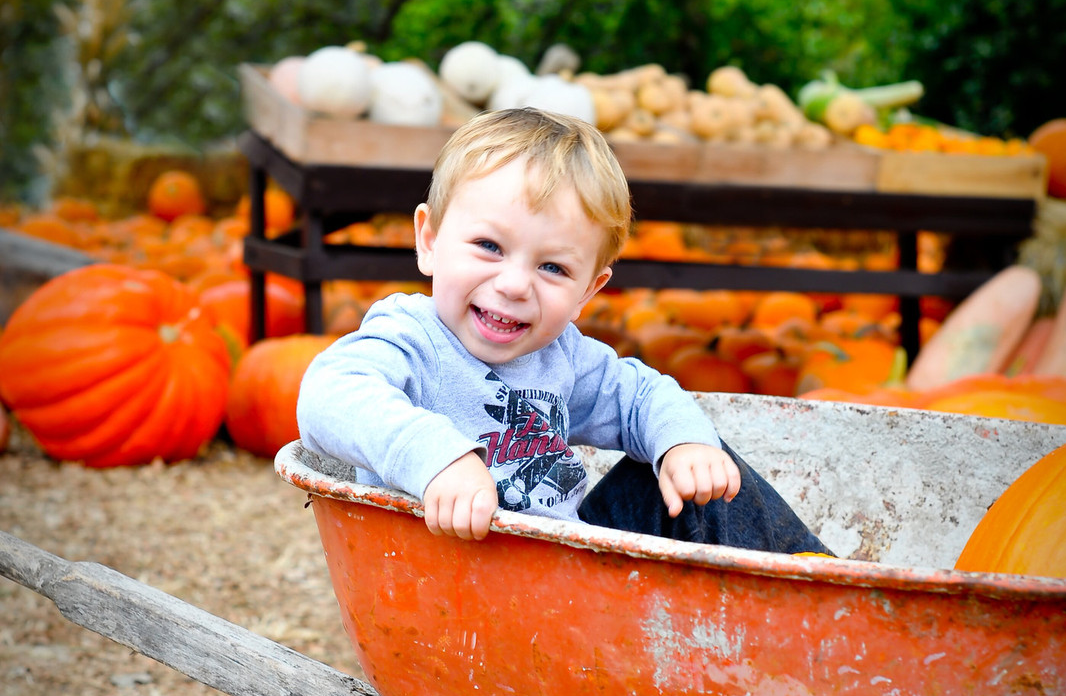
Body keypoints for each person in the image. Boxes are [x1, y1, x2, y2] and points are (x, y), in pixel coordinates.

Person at [297, 106, 831, 555]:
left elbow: (640, 394)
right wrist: (437, 459)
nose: (513, 284)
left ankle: (824, 595)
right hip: (451, 573)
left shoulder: (563, 356)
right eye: (489, 247)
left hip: (566, 575)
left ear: (588, 292)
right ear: (430, 239)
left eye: (552, 268)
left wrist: (683, 444)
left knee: (703, 472)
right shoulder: (412, 338)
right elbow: (330, 395)